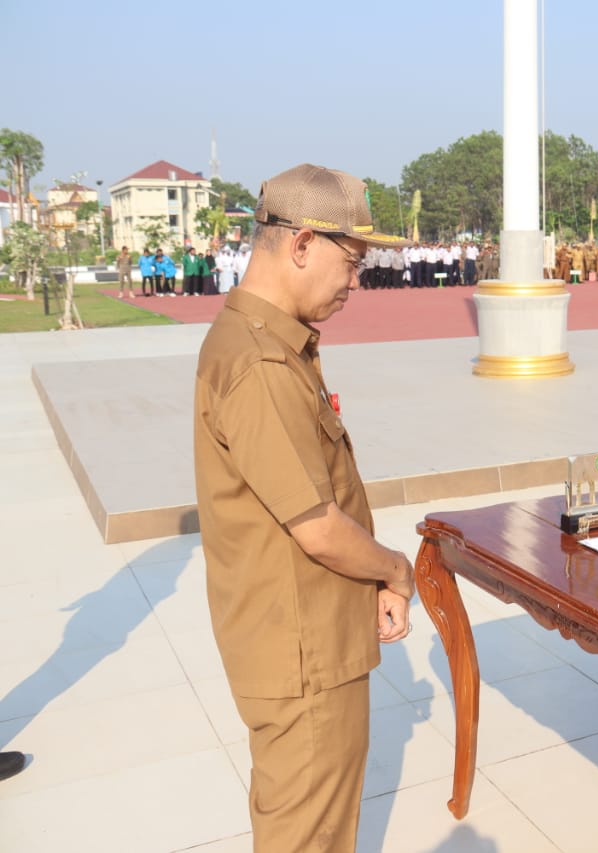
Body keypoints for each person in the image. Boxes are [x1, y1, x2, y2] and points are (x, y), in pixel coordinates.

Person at [194, 163, 415, 853]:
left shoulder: (266, 340)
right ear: (301, 244)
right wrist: (396, 569)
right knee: (308, 836)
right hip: (304, 654)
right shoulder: (261, 364)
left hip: (297, 636)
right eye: (351, 262)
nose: (356, 282)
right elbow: (317, 528)